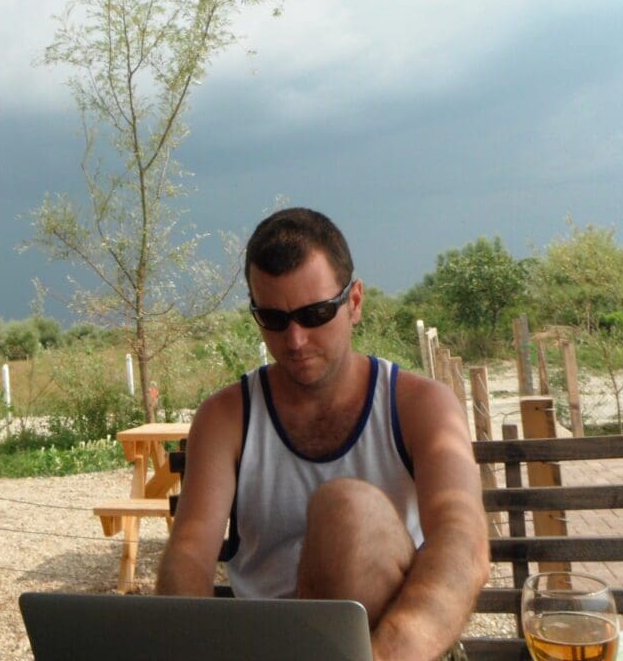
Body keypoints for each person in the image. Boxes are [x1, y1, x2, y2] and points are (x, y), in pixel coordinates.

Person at [156, 207, 489, 661]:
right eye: (273, 319)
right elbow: (191, 553)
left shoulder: (421, 406)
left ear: (354, 303)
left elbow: (462, 540)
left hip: (391, 647)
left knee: (347, 511)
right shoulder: (225, 417)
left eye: (313, 314)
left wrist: (385, 654)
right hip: (265, 648)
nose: (294, 341)